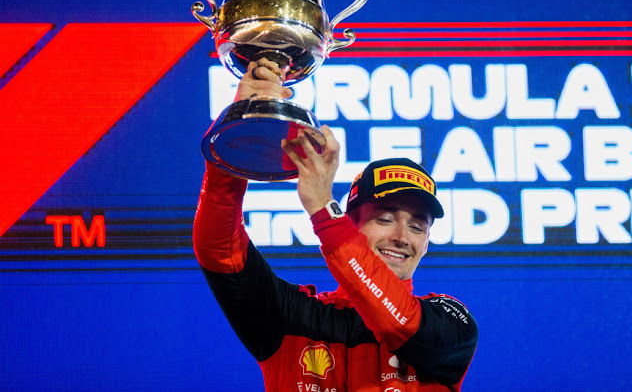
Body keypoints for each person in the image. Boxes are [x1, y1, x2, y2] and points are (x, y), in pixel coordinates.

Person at [193, 59, 478, 391]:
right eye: (384, 218)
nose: (402, 237)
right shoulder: (290, 316)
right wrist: (242, 131)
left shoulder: (451, 323)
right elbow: (219, 251)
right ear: (351, 226)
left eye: (417, 227)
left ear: (427, 243)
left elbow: (399, 323)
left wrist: (322, 209)